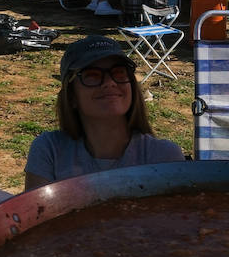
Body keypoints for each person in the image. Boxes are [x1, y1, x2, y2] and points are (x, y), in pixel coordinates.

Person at [24, 35, 183, 188]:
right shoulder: (50, 151)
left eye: (119, 72)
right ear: (71, 96)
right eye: (92, 75)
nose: (109, 82)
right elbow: (34, 214)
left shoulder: (164, 157)